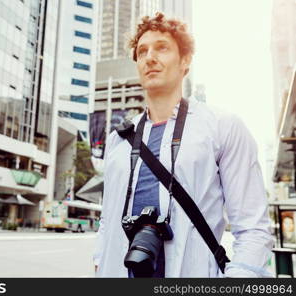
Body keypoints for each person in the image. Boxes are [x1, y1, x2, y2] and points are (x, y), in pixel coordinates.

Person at [93, 12, 274, 277]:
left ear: (185, 61)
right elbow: (108, 221)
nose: (150, 58)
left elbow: (253, 229)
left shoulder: (222, 126)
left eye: (162, 48)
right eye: (142, 52)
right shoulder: (118, 140)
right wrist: (99, 263)